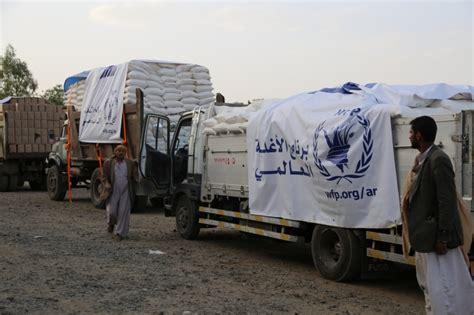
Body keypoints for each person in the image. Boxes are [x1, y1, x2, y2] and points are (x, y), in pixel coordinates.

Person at [406, 116, 473, 314]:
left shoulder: (439, 160)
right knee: (432, 289)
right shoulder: (424, 159)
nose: (409, 136)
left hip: (437, 240)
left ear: (419, 135)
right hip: (426, 238)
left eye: (411, 132)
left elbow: (447, 202)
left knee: (445, 290)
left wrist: (442, 237)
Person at [102, 145, 138, 241]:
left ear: (125, 153)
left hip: (125, 190)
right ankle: (111, 223)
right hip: (113, 190)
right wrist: (107, 183)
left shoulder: (130, 163)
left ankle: (120, 233)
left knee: (123, 212)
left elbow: (135, 175)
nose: (120, 152)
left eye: (123, 151)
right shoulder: (109, 163)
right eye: (118, 150)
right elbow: (104, 177)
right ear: (115, 152)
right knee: (112, 211)